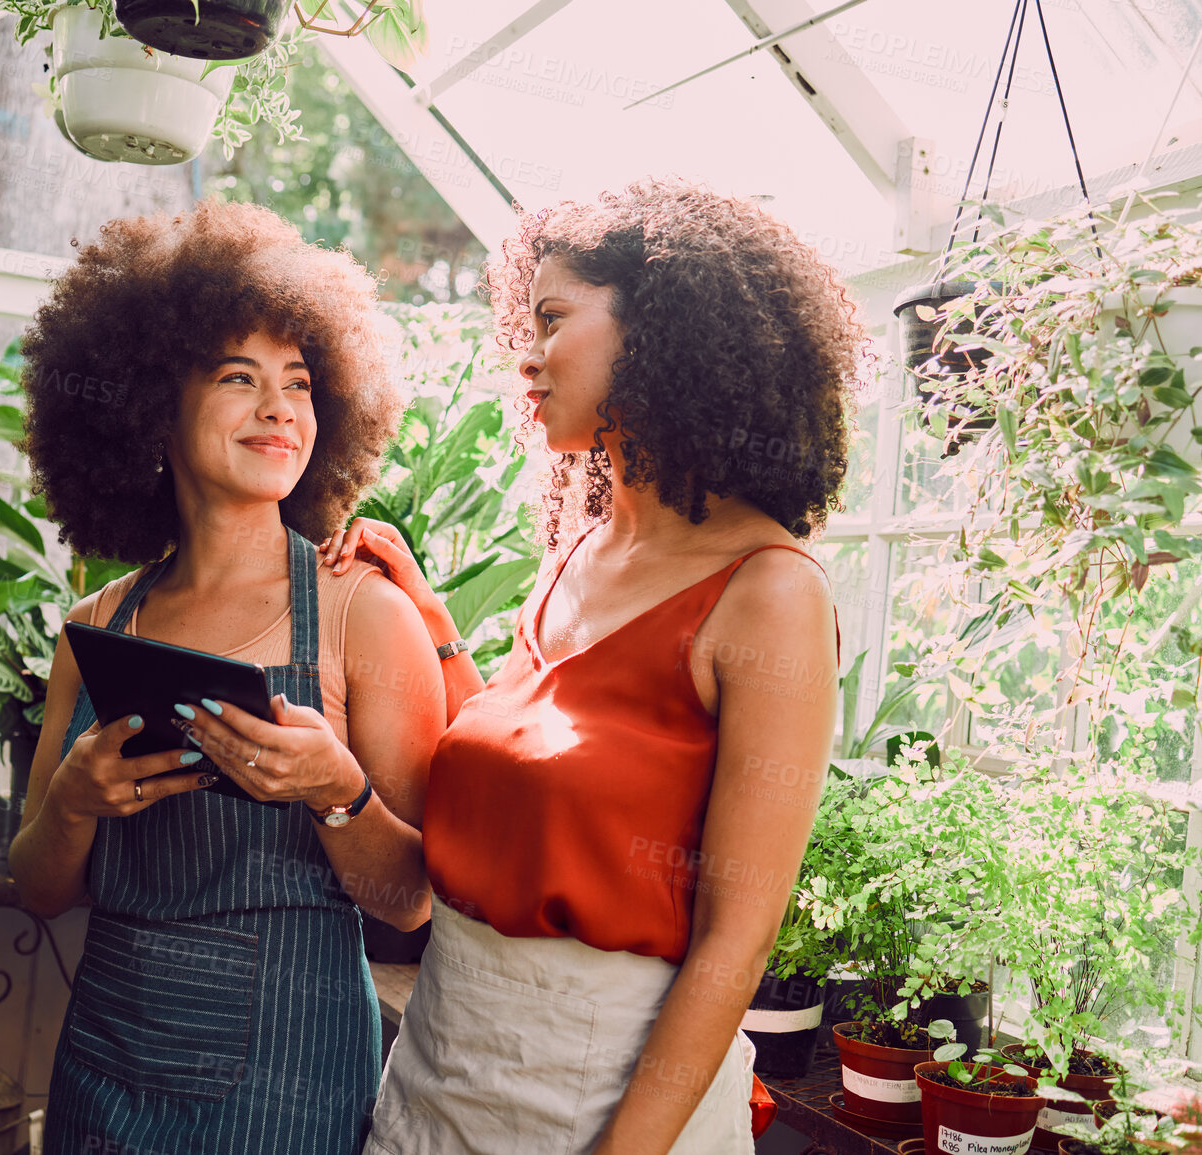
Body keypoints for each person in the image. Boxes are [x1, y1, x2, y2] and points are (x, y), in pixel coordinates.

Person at [331, 179, 857, 1155]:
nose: (523, 353)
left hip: (603, 1100)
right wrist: (432, 617)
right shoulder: (577, 550)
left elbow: (733, 949)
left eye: (553, 318)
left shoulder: (770, 593)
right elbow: (534, 778)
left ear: (665, 334)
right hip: (437, 1076)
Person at [9, 201, 446, 1155]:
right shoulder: (95, 625)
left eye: (298, 382)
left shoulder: (364, 614)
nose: (279, 408)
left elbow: (410, 898)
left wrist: (336, 791)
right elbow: (38, 887)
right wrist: (75, 801)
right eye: (237, 377)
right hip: (104, 1065)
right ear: (149, 407)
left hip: (287, 1083)